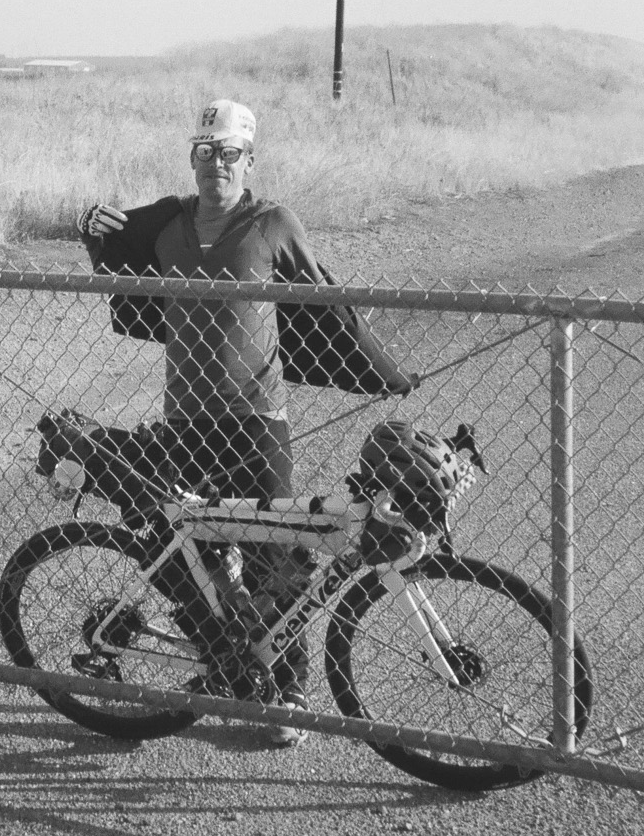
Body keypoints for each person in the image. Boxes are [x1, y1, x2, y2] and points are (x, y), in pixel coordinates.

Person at [76, 99, 414, 744]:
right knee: (194, 556)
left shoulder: (270, 224)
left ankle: (288, 693)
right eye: (205, 152)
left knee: (272, 558)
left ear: (248, 160)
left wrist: (387, 374)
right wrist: (88, 225)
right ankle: (221, 665)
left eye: (229, 153)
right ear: (192, 158)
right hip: (186, 417)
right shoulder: (169, 224)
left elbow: (328, 298)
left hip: (257, 419)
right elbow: (111, 247)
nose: (216, 165)